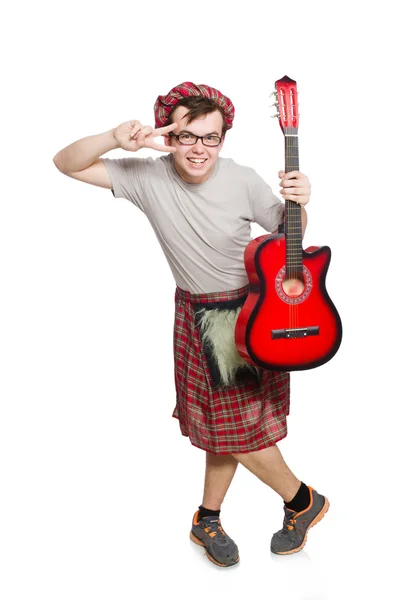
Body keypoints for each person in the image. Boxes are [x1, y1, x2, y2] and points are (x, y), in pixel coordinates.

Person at [53, 81, 329, 568]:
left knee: (239, 430)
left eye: (211, 138)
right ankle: (208, 517)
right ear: (169, 135)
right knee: (224, 429)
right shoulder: (146, 177)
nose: (199, 149)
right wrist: (116, 136)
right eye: (188, 136)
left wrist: (301, 202)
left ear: (224, 139)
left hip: (248, 313)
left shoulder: (241, 178)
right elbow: (66, 163)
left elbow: (289, 234)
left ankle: (302, 501)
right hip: (194, 311)